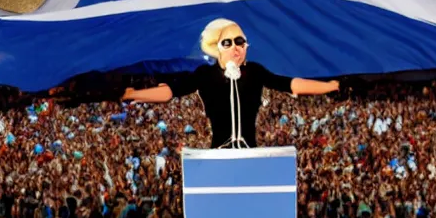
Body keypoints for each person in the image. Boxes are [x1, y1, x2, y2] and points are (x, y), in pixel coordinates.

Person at [122, 18, 339, 148]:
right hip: (219, 152)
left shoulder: (255, 71)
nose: (235, 47)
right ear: (218, 48)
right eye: (228, 42)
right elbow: (169, 92)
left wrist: (328, 86)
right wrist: (133, 94)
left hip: (250, 152)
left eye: (240, 41)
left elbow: (291, 85)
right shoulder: (205, 74)